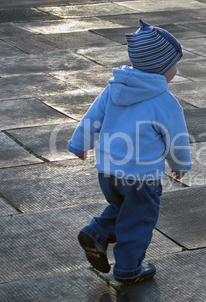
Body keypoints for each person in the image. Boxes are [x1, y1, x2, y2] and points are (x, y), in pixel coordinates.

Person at [67, 19, 192, 285]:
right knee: (138, 220)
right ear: (161, 69)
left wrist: (79, 144)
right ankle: (128, 269)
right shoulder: (165, 102)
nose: (176, 71)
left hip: (107, 171)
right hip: (141, 177)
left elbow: (92, 118)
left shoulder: (114, 88)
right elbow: (176, 138)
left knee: (124, 208)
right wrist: (180, 163)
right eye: (174, 65)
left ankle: (97, 231)